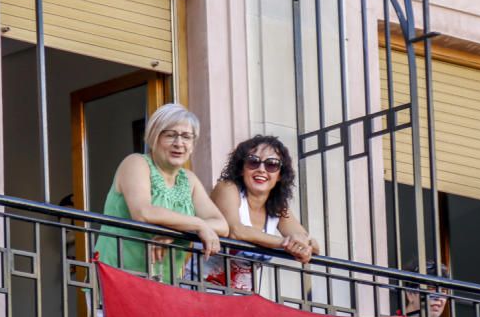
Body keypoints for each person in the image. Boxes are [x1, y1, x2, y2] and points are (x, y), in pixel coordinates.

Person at [94, 103, 229, 283]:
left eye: (186, 137)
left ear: (193, 145)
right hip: (117, 275)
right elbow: (143, 212)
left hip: (163, 283)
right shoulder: (136, 163)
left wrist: (174, 233)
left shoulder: (189, 180)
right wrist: (196, 224)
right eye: (170, 135)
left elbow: (222, 225)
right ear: (154, 138)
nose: (179, 143)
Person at [202, 135, 319, 290]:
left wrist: (305, 246)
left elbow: (307, 240)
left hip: (239, 300)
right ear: (241, 168)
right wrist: (285, 243)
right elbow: (235, 231)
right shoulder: (228, 188)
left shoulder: (277, 206)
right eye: (253, 162)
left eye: (271, 165)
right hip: (200, 289)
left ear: (279, 175)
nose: (261, 169)